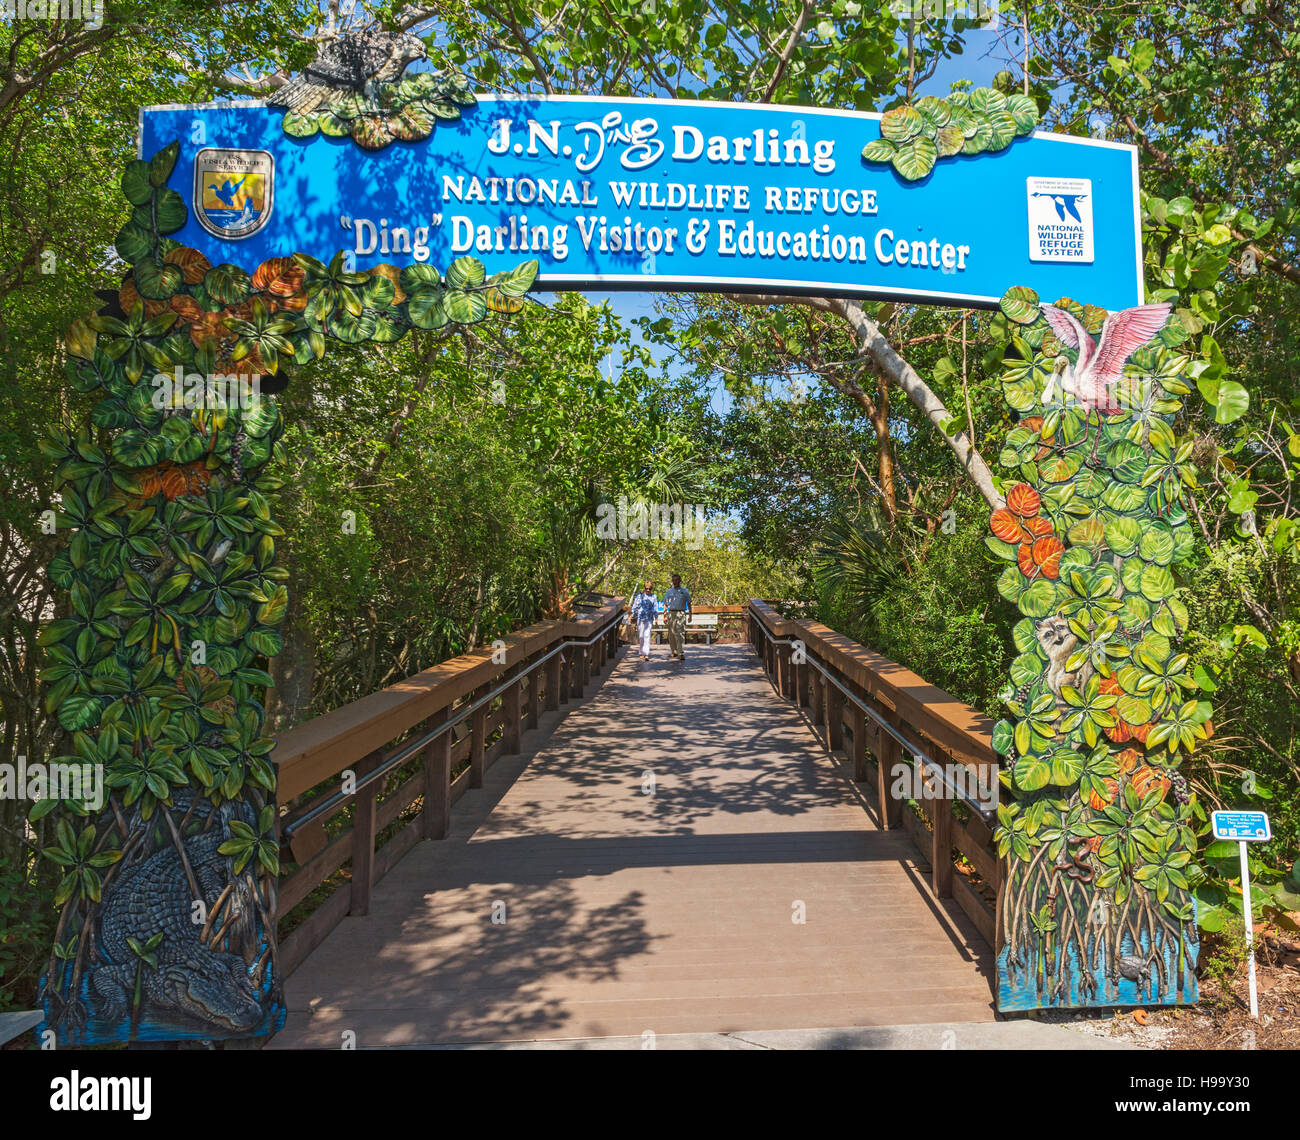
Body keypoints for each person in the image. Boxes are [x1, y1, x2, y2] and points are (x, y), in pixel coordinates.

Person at [663, 573, 692, 660]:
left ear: (680, 581)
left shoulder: (684, 591)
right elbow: (665, 604)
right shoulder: (669, 591)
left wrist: (690, 614)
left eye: (676, 580)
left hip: (681, 613)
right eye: (673, 580)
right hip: (671, 613)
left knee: (680, 633)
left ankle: (680, 652)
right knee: (671, 633)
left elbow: (689, 603)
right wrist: (664, 616)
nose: (675, 582)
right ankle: (673, 651)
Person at [628, 580, 658, 661]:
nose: (648, 590)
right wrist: (631, 615)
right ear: (644, 588)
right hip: (640, 617)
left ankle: (646, 653)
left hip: (649, 618)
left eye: (650, 589)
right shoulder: (640, 596)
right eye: (646, 588)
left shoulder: (653, 596)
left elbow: (655, 607)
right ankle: (641, 651)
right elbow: (635, 606)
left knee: (647, 635)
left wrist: (656, 618)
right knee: (641, 636)